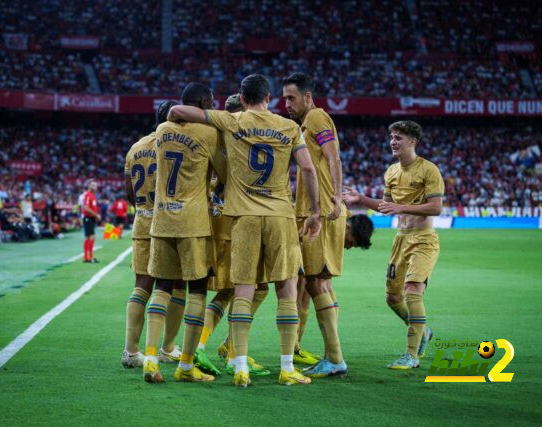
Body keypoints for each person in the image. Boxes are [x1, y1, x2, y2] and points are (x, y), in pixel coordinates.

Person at [168, 74, 321, 387]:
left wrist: (172, 113)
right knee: (287, 291)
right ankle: (287, 367)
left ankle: (239, 367)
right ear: (268, 98)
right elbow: (307, 168)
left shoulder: (231, 120)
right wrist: (316, 212)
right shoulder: (289, 127)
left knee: (242, 291)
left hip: (243, 218)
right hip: (280, 215)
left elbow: (182, 111)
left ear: (243, 95)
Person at [142, 83, 227, 383]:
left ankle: (150, 358)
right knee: (198, 291)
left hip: (162, 219)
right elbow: (224, 174)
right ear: (204, 103)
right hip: (193, 222)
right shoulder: (208, 133)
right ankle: (186, 366)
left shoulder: (163, 129)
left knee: (162, 287)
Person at [342, 120, 444, 370]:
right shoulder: (391, 172)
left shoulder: (429, 170)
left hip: (423, 239)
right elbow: (386, 206)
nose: (392, 142)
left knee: (412, 290)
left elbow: (436, 207)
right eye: (392, 137)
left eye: (398, 137)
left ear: (412, 142)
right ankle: (423, 331)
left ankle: (411, 355)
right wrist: (361, 199)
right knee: (392, 297)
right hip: (401, 240)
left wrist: (401, 207)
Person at [194, 93, 271, 378]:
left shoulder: (214, 134)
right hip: (237, 220)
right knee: (254, 288)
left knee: (230, 290)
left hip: (217, 218)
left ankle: (219, 347)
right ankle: (229, 350)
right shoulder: (243, 135)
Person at [282, 72, 348, 377]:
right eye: (284, 98)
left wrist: (335, 197)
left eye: (291, 98)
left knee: (316, 281)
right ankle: (331, 354)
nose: (286, 104)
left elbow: (333, 157)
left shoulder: (318, 117)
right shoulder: (305, 124)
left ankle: (335, 358)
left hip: (319, 212)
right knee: (319, 282)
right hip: (315, 210)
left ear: (307, 97)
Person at [122, 101, 187, 369]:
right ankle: (168, 348)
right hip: (169, 222)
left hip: (142, 221)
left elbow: (129, 194)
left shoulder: (136, 147)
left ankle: (130, 351)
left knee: (142, 286)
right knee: (175, 286)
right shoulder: (176, 145)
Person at [82, 180, 100, 263]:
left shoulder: (93, 195)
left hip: (91, 218)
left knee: (88, 237)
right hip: (88, 218)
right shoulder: (87, 195)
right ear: (89, 186)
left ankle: (87, 257)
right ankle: (88, 257)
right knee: (91, 237)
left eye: (95, 185)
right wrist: (96, 215)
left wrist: (95, 215)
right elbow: (85, 207)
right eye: (92, 185)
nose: (94, 187)